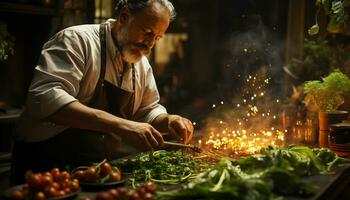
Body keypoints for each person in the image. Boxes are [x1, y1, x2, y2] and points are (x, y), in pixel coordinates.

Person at [11, 0, 193, 184]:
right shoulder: (76, 40)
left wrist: (168, 121)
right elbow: (45, 98)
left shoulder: (141, 63)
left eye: (158, 37)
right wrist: (121, 125)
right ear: (124, 16)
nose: (150, 44)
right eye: (147, 33)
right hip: (45, 166)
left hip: (94, 171)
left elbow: (147, 109)